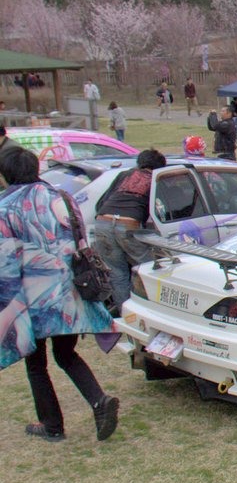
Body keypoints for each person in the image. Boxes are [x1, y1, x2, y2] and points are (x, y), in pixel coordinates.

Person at [0, 147, 120, 443]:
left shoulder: (5, 207)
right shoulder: (62, 197)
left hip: (31, 295)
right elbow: (80, 239)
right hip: (71, 290)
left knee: (36, 363)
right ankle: (99, 401)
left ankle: (52, 425)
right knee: (65, 353)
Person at [92, 147, 167, 307]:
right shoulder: (155, 180)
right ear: (160, 167)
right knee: (148, 268)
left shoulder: (124, 175)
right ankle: (150, 309)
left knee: (116, 272)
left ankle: (125, 313)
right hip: (128, 225)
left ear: (140, 162)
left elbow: (100, 203)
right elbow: (160, 208)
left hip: (103, 222)